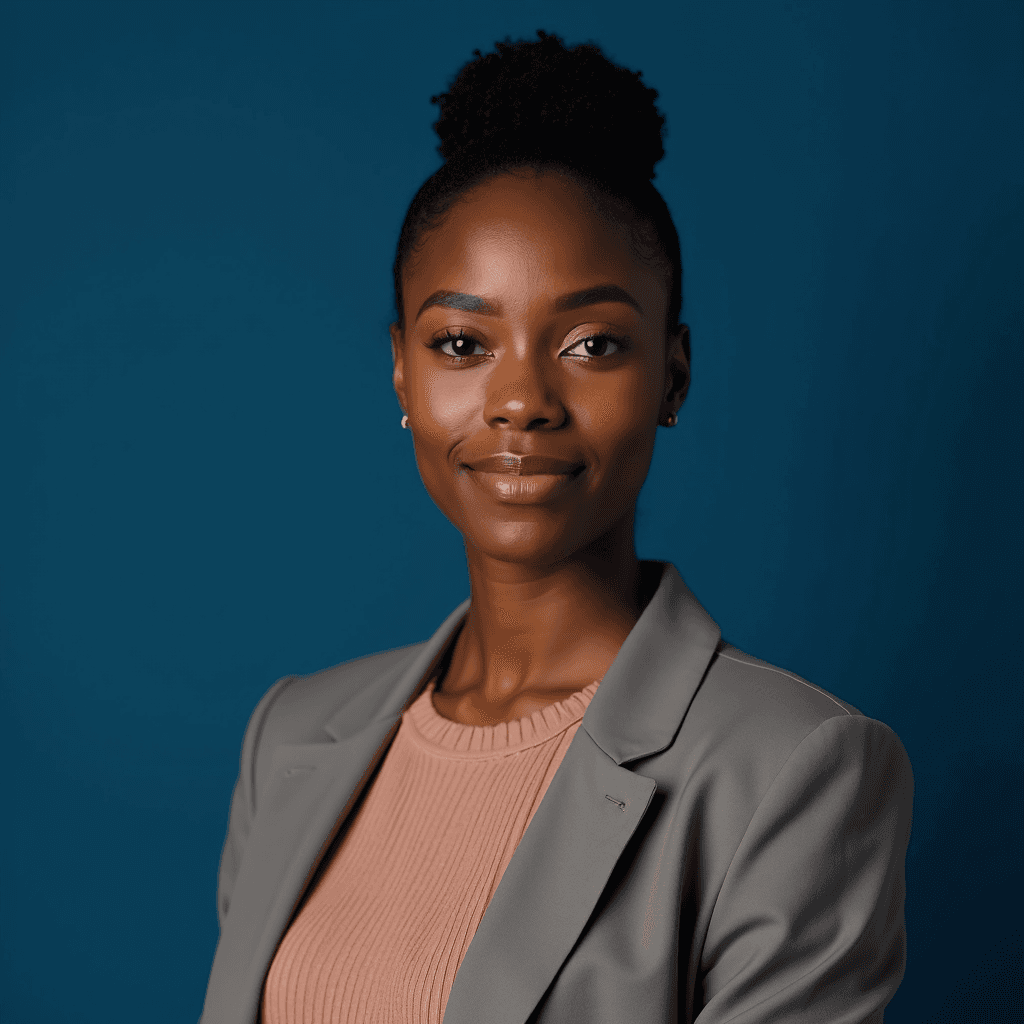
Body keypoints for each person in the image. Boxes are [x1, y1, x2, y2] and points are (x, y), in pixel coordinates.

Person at [200, 31, 913, 1024]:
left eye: (592, 343)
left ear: (672, 373)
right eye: (461, 342)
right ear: (403, 371)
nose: (521, 400)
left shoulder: (794, 768)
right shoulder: (291, 737)